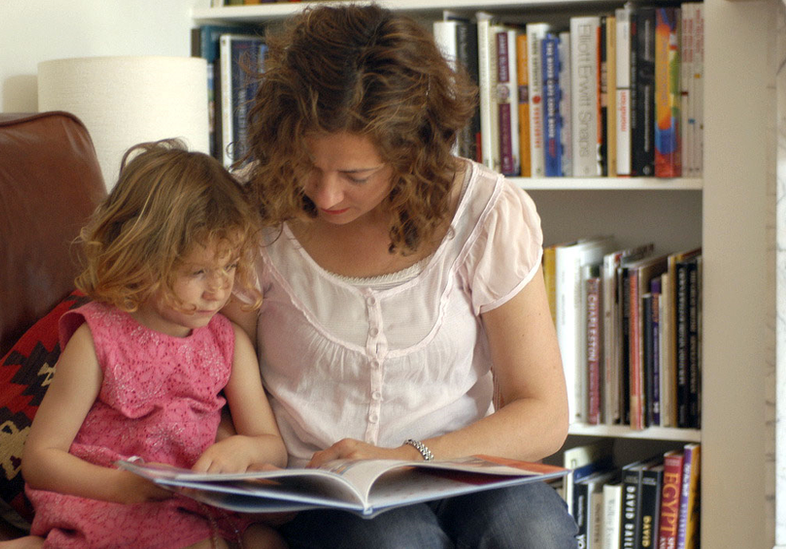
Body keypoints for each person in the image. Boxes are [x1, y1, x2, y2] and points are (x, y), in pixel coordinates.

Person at [219, 4, 578, 548]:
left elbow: (544, 414)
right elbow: (210, 376)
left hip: (463, 468)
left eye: (355, 175)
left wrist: (408, 459)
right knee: (395, 540)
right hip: (324, 491)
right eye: (307, 165)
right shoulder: (251, 211)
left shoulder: (484, 213)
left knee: (532, 531)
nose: (325, 194)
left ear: (413, 155)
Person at [0, 139, 288, 549]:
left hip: (192, 505)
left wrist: (241, 450)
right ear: (142, 261)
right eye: (198, 273)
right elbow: (41, 460)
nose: (219, 289)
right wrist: (121, 487)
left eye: (229, 265)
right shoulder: (97, 339)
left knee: (268, 542)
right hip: (109, 497)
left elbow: (272, 447)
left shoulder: (229, 344)